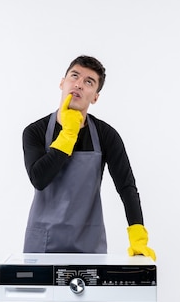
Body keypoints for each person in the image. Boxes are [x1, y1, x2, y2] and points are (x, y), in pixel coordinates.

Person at [22, 55, 156, 259]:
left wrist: (138, 236)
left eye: (88, 82)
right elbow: (39, 179)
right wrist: (68, 134)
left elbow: (126, 187)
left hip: (88, 246)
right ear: (62, 82)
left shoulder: (105, 135)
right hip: (43, 245)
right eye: (74, 76)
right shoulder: (35, 131)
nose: (79, 84)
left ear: (95, 97)